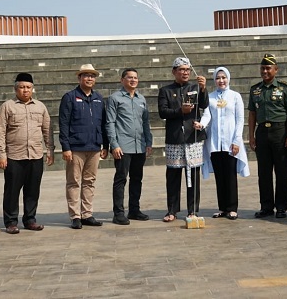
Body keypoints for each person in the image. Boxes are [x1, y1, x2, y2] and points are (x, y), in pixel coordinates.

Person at [0, 72, 55, 234]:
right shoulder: (7, 106)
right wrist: (1, 154)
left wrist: (50, 149)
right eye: (21, 87)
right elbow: (0, 132)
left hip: (35, 155)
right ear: (16, 89)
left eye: (28, 87)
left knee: (33, 190)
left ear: (33, 89)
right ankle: (11, 222)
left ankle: (30, 219)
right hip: (14, 156)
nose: (25, 90)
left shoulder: (40, 107)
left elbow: (47, 130)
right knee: (12, 191)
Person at [196, 66, 250, 220]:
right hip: (214, 143)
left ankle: (232, 208)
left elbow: (240, 120)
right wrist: (201, 124)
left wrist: (236, 140)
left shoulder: (235, 96)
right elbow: (207, 115)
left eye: (223, 77)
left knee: (230, 175)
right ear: (214, 80)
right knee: (220, 176)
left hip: (230, 143)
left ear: (228, 79)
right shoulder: (211, 97)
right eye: (218, 78)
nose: (221, 80)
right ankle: (223, 208)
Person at [158, 57, 208, 223]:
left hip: (192, 137)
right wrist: (181, 110)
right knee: (173, 175)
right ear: (174, 71)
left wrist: (204, 88)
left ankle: (193, 209)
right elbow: (163, 112)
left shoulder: (195, 87)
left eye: (187, 69)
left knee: (193, 175)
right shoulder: (165, 90)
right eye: (181, 69)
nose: (185, 72)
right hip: (174, 138)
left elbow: (204, 105)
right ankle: (172, 210)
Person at [58, 64, 109, 229]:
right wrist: (65, 147)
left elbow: (103, 123)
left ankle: (87, 214)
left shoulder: (99, 99)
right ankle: (75, 216)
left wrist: (105, 144)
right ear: (79, 78)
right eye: (86, 75)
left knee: (90, 181)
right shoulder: (70, 97)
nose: (89, 78)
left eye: (92, 76)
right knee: (73, 182)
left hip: (94, 147)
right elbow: (63, 123)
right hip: (76, 147)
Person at [248, 54, 287, 219]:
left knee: (282, 171)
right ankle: (266, 206)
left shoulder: (284, 87)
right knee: (264, 172)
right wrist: (251, 137)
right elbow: (252, 114)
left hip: (280, 132)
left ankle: (282, 206)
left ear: (276, 70)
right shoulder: (255, 89)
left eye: (268, 68)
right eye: (262, 68)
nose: (265, 71)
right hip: (262, 132)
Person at [106, 68, 153, 225]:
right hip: (123, 146)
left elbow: (145, 122)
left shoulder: (141, 99)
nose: (133, 80)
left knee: (137, 179)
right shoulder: (115, 98)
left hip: (139, 145)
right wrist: (114, 144)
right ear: (122, 80)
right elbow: (110, 122)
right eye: (129, 77)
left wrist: (149, 142)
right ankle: (118, 213)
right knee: (121, 179)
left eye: (135, 78)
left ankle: (134, 210)